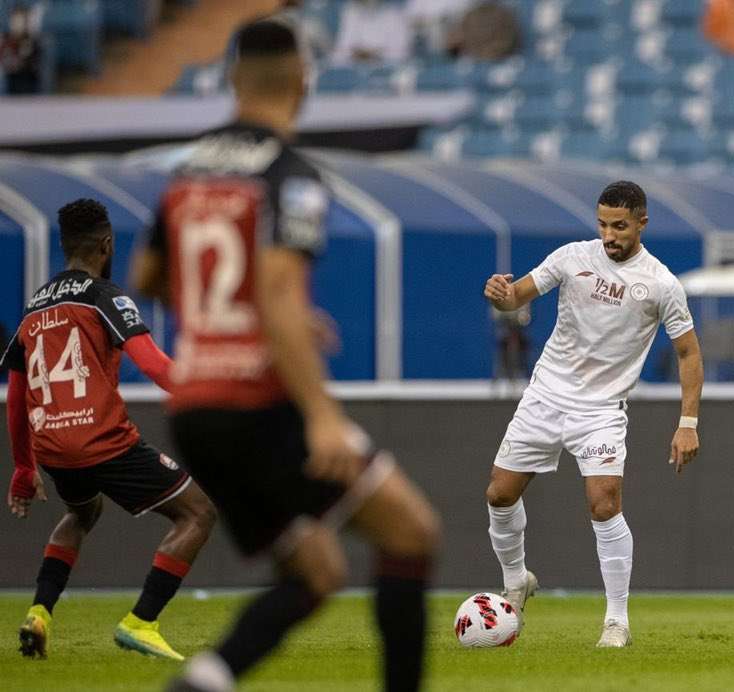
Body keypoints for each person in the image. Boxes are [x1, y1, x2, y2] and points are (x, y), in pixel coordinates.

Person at [130, 18, 439, 692]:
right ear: (303, 83)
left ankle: (206, 679)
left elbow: (148, 275)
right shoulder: (291, 175)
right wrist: (322, 414)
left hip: (193, 411)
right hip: (260, 406)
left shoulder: (186, 172)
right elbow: (274, 289)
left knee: (316, 572)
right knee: (411, 533)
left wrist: (243, 316)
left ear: (233, 80)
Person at [482, 181, 704, 648]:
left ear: (642, 223)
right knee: (500, 494)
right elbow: (517, 296)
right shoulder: (572, 257)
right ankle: (516, 579)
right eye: (603, 224)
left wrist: (688, 423)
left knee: (604, 503)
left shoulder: (662, 283)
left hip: (601, 409)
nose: (609, 234)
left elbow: (688, 354)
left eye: (619, 226)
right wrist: (499, 293)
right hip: (546, 396)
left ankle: (617, 620)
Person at [2, 199, 216, 661]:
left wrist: (23, 468)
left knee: (82, 513)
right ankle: (142, 622)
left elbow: (16, 399)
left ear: (63, 246)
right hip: (103, 443)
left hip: (54, 450)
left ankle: (39, 611)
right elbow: (154, 363)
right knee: (197, 513)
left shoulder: (32, 310)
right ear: (107, 243)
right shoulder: (105, 295)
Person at [0, 4, 43, 94]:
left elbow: (35, 64)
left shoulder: (33, 40)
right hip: (10, 80)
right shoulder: (6, 39)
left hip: (29, 82)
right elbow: (5, 60)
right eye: (15, 21)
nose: (18, 24)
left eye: (21, 21)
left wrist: (25, 51)